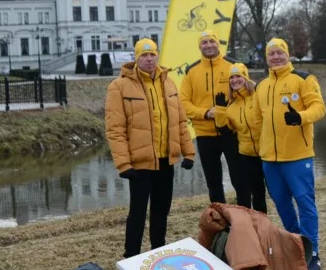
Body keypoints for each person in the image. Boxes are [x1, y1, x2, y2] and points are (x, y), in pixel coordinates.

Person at [105, 38, 195, 258]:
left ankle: (158, 252)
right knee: (137, 212)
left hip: (166, 160)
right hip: (140, 163)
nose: (148, 59)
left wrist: (188, 151)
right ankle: (132, 256)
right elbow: (115, 129)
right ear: (136, 58)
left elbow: (180, 122)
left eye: (152, 54)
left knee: (161, 210)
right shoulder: (119, 86)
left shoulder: (169, 82)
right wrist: (124, 163)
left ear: (157, 56)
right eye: (143, 55)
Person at [254, 37, 326, 270]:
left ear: (287, 55)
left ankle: (312, 251)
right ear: (266, 58)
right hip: (270, 160)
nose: (275, 57)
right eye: (271, 53)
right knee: (283, 205)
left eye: (279, 53)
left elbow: (319, 107)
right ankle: (298, 246)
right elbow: (257, 121)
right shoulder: (261, 85)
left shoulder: (303, 79)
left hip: (297, 156)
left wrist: (301, 117)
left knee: (305, 204)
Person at [179, 30, 242, 204]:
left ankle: (245, 221)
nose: (208, 45)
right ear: (199, 46)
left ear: (218, 43)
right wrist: (205, 113)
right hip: (205, 135)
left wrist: (226, 114)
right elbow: (183, 102)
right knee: (213, 184)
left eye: (212, 42)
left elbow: (245, 97)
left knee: (240, 180)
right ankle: (220, 224)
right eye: (204, 42)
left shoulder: (233, 66)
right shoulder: (191, 71)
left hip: (231, 132)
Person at [215, 62, 267, 213]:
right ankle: (256, 228)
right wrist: (219, 109)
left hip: (266, 152)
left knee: (274, 192)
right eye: (232, 77)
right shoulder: (231, 106)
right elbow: (224, 130)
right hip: (247, 155)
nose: (235, 80)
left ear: (245, 77)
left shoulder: (257, 95)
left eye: (238, 76)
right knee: (256, 194)